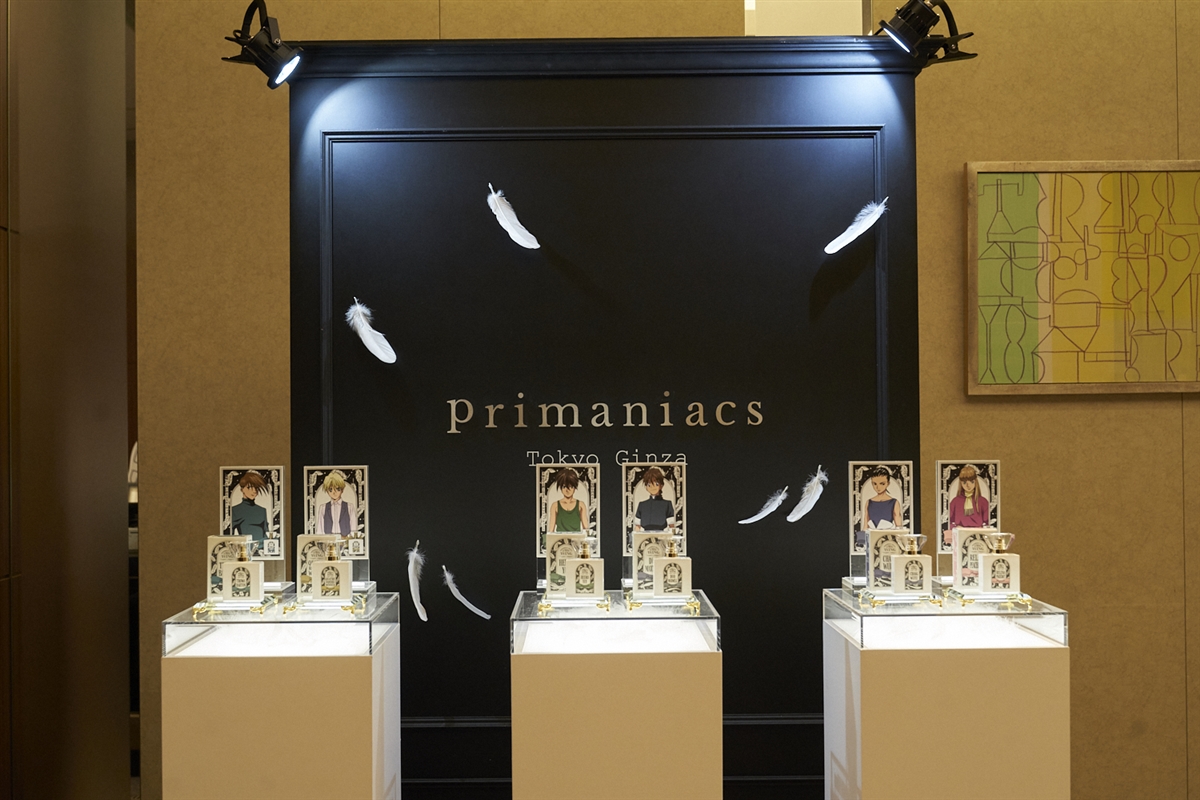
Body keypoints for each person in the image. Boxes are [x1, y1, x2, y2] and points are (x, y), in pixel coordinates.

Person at [859, 466, 903, 548]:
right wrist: (860, 542)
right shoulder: (869, 502)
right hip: (872, 540)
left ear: (888, 483)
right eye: (874, 484)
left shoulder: (894, 502)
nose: (878, 487)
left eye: (882, 484)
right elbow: (865, 525)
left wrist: (900, 545)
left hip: (888, 541)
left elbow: (899, 527)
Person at [945, 465, 990, 544]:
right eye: (964, 482)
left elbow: (987, 523)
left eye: (971, 481)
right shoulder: (955, 501)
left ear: (975, 482)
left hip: (978, 537)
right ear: (961, 483)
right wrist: (956, 528)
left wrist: (980, 530)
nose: (968, 485)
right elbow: (949, 522)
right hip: (960, 536)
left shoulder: (983, 501)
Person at [230, 471, 270, 551]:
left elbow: (267, 534)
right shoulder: (235, 510)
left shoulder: (262, 510)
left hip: (261, 552)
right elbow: (229, 537)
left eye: (256, 488)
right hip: (245, 551)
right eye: (250, 487)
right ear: (242, 489)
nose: (254, 491)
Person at [634, 467, 675, 531]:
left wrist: (673, 535)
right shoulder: (642, 505)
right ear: (646, 487)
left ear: (661, 485)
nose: (653, 487)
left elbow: (671, 526)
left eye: (656, 484)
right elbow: (637, 526)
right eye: (649, 485)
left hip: (662, 535)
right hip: (644, 536)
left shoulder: (667, 504)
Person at [317, 471, 355, 536]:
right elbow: (319, 529)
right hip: (328, 540)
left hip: (345, 539)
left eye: (338, 489)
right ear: (327, 491)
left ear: (342, 490)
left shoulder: (349, 507)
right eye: (330, 490)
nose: (334, 492)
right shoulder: (323, 507)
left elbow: (353, 527)